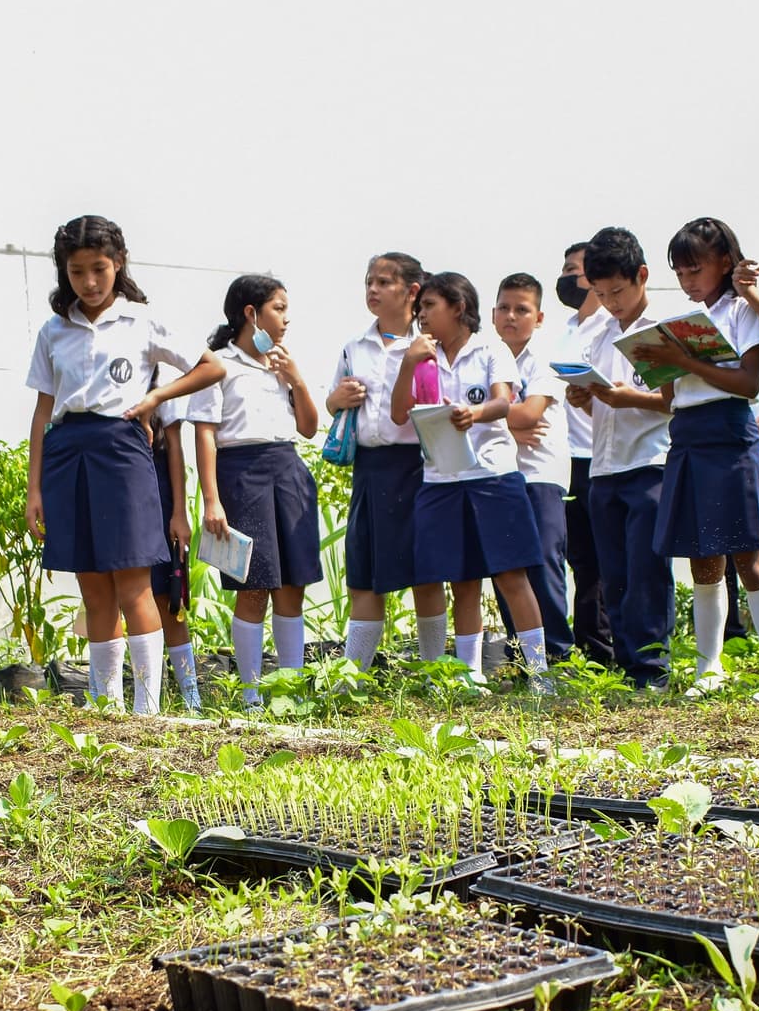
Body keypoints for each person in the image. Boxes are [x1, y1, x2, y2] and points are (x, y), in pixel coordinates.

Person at [24, 215, 225, 715]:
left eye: (99, 269)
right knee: (92, 584)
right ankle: (106, 703)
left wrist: (157, 394)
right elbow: (43, 411)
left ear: (118, 264)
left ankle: (147, 709)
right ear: (63, 272)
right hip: (67, 452)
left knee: (133, 583)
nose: (89, 283)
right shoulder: (54, 331)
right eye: (76, 272)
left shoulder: (142, 320)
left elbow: (212, 366)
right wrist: (35, 490)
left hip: (123, 447)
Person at [639, 218, 759, 702]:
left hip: (729, 434)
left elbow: (749, 384)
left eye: (695, 269)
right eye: (680, 272)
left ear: (725, 262)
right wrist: (659, 364)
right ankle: (710, 667)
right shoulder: (684, 323)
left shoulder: (744, 311)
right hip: (686, 436)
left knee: (748, 553)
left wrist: (685, 363)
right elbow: (670, 396)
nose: (687, 280)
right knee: (703, 557)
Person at [388, 272, 556, 685]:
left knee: (511, 574)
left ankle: (539, 672)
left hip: (492, 474)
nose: (421, 315)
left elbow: (503, 401)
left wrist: (473, 413)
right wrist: (409, 363)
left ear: (458, 307)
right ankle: (468, 675)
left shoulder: (490, 349)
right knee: (461, 579)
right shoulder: (420, 357)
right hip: (441, 477)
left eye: (429, 306)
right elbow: (398, 414)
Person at [194, 275, 323, 705]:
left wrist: (297, 379)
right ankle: (250, 697)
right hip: (241, 475)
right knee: (253, 586)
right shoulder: (217, 364)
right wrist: (212, 499)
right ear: (252, 313)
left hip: (288, 471)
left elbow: (308, 428)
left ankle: (293, 691)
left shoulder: (281, 364)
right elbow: (206, 434)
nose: (287, 318)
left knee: (293, 585)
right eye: (279, 308)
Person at [565, 228, 675, 690]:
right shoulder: (600, 333)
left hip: (649, 462)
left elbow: (672, 401)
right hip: (604, 465)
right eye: (602, 293)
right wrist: (583, 397)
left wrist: (624, 397)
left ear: (642, 276)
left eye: (618, 291)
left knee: (646, 571)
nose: (610, 302)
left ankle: (652, 670)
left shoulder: (660, 330)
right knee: (614, 575)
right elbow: (603, 403)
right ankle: (628, 667)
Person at [329, 253, 446, 671]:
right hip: (369, 469)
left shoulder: (429, 346)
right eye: (369, 282)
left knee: (425, 574)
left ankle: (437, 674)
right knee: (363, 574)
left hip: (415, 467)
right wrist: (335, 400)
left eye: (383, 282)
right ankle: (351, 676)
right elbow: (334, 403)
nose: (373, 290)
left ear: (411, 292)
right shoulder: (353, 346)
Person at [490, 273, 574, 662]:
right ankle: (523, 658)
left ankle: (556, 656)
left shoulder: (544, 358)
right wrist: (507, 424)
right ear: (492, 314)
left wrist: (497, 421)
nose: (511, 316)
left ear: (538, 317)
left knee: (542, 563)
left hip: (541, 473)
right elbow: (514, 417)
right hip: (500, 473)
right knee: (506, 568)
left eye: (521, 309)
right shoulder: (486, 356)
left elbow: (530, 413)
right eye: (504, 308)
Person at [557, 241, 615, 665]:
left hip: (603, 453)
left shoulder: (609, 328)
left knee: (605, 556)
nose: (568, 279)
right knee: (580, 557)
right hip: (569, 457)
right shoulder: (565, 331)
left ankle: (604, 646)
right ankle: (585, 643)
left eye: (574, 270)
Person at [150, 391, 211, 711]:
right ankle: (117, 692)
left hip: (157, 485)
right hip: (112, 480)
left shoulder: (160, 378)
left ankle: (191, 697)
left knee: (169, 596)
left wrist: (179, 512)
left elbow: (174, 445)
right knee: (110, 591)